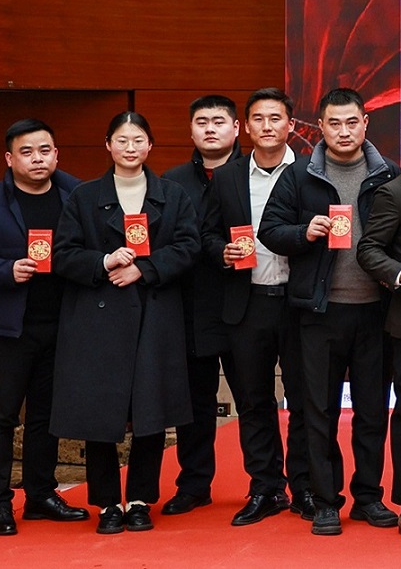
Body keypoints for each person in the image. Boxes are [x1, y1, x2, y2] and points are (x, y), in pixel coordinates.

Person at [52, 107, 197, 526]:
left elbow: (188, 247)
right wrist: (104, 260)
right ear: (108, 145)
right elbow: (63, 254)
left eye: (138, 141)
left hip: (155, 314)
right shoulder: (83, 197)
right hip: (98, 319)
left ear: (150, 145)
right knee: (100, 413)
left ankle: (139, 501)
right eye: (122, 140)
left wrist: (144, 269)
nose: (130, 148)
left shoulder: (172, 195)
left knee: (151, 411)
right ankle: (107, 504)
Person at [263, 89, 399, 532]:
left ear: (365, 124)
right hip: (318, 313)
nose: (344, 132)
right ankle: (325, 500)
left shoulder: (388, 174)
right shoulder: (299, 174)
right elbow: (270, 230)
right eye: (334, 123)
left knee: (372, 411)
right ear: (320, 126)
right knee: (319, 411)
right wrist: (304, 232)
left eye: (352, 122)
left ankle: (368, 497)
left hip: (375, 312)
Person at [168, 90, 300, 524]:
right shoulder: (224, 178)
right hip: (238, 303)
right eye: (259, 118)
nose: (267, 126)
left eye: (275, 118)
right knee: (248, 401)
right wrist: (221, 251)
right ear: (249, 125)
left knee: (299, 400)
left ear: (290, 124)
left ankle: (302, 487)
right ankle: (261, 487)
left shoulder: (308, 172)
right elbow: (205, 235)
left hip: (295, 303)